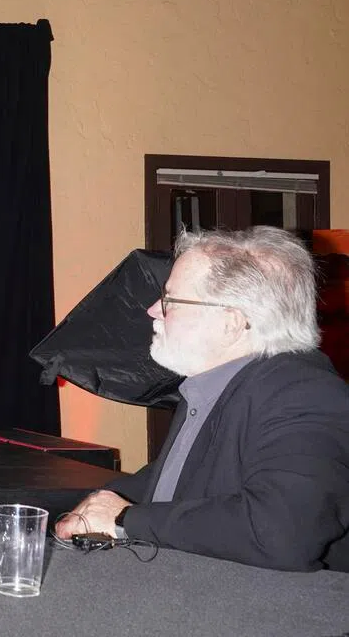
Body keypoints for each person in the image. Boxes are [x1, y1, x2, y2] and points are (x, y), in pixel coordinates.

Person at [55, 226, 349, 571]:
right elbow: (177, 479)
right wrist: (95, 505)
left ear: (231, 323)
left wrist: (125, 519)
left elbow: (280, 531)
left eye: (169, 300)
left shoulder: (304, 393)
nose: (152, 310)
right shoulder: (218, 384)